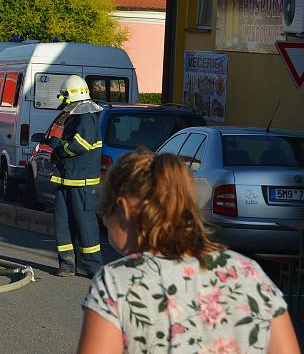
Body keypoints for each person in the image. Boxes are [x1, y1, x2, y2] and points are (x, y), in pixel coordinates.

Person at [78, 149, 299, 353]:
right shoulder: (251, 274)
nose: (105, 227)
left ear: (124, 209)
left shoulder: (117, 282)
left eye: (105, 217)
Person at [47, 75, 103, 278]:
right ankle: (67, 264)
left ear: (69, 95)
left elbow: (81, 144)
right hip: (66, 179)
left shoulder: (86, 117)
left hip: (82, 182)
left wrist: (59, 151)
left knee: (85, 223)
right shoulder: (74, 116)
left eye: (63, 97)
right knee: (62, 223)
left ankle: (91, 266)